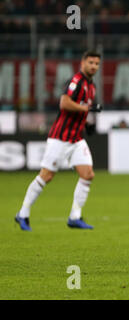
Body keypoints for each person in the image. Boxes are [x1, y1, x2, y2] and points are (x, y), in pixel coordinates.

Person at [15, 51, 103, 231]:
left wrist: (86, 123)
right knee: (46, 176)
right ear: (82, 63)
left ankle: (75, 217)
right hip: (60, 138)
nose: (94, 66)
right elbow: (64, 103)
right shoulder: (77, 81)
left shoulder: (91, 86)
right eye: (91, 62)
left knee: (88, 174)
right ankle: (22, 213)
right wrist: (86, 108)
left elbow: (79, 110)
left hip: (76, 138)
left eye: (96, 63)